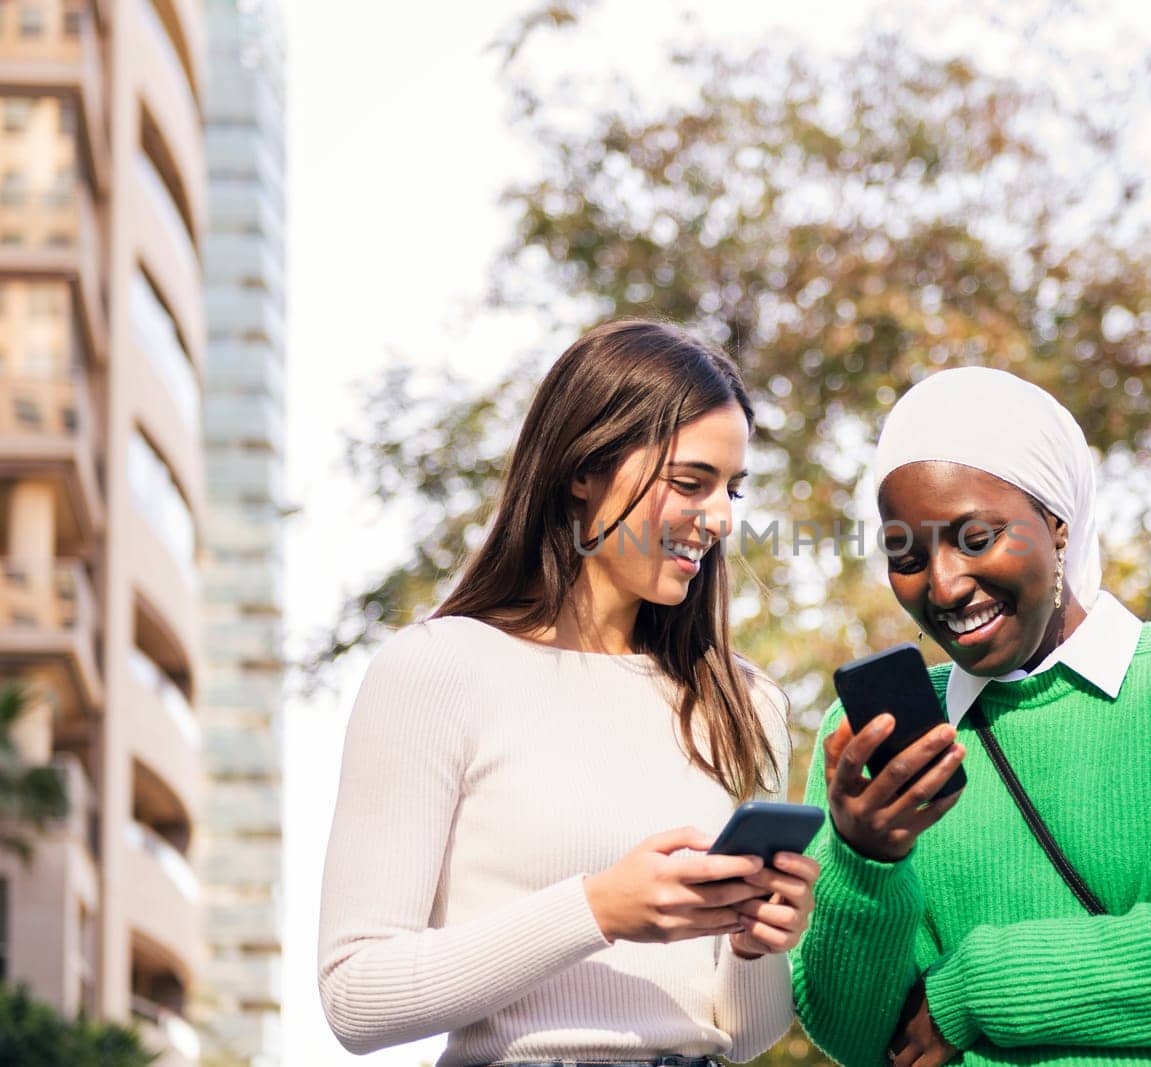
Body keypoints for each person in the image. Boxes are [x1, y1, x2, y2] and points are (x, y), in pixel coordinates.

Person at [792, 367, 1151, 1067]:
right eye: (906, 554)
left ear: (1056, 523)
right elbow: (859, 1039)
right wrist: (866, 860)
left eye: (975, 536)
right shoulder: (876, 744)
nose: (945, 583)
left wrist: (978, 988)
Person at [319, 320, 818, 1067]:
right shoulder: (439, 669)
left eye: (731, 489)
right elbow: (357, 996)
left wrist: (754, 946)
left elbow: (743, 1034)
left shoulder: (746, 702)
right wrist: (598, 909)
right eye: (690, 482)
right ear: (584, 467)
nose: (719, 518)